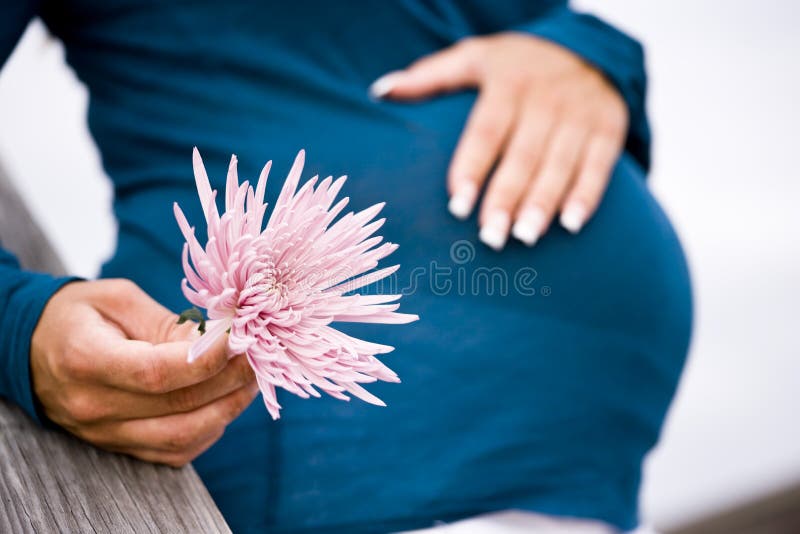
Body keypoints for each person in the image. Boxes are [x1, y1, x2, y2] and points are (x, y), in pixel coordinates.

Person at [0, 2, 692, 533]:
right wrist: (16, 323)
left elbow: (548, 21)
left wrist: (586, 56)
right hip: (327, 484)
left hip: (596, 499)